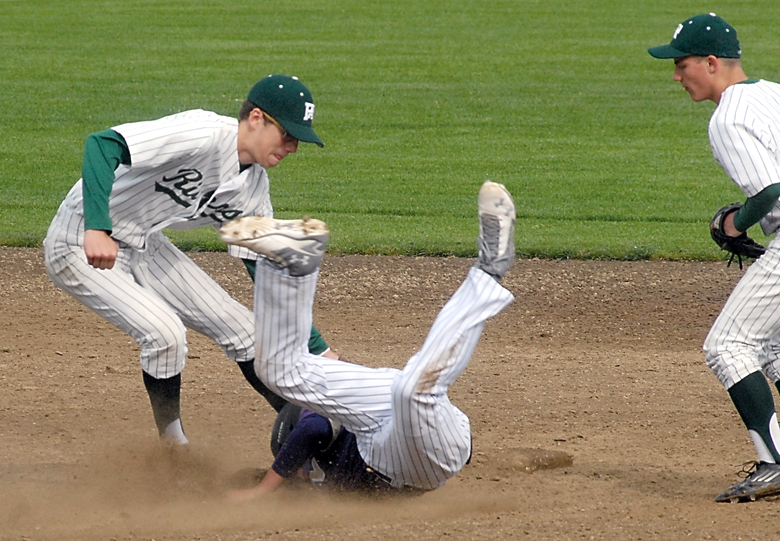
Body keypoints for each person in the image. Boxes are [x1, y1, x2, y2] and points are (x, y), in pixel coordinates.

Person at [43, 74, 342, 446]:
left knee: (248, 334)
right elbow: (103, 144)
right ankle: (173, 450)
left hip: (145, 244)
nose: (293, 147)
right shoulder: (201, 133)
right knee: (165, 334)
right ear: (256, 119)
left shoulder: (253, 188)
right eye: (288, 134)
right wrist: (97, 228)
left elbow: (263, 265)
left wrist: (318, 348)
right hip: (79, 237)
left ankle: (308, 438)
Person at [219, 180, 516, 497]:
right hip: (390, 438)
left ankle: (490, 268)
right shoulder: (333, 458)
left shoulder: (318, 430)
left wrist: (263, 489)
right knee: (404, 390)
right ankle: (290, 272)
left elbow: (312, 428)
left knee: (283, 373)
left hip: (399, 452)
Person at [649, 14, 780, 503]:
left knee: (727, 346)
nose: (676, 76)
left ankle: (774, 462)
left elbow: (769, 188)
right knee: (769, 348)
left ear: (710, 62)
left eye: (682, 65)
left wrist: (735, 224)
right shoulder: (774, 93)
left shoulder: (727, 117)